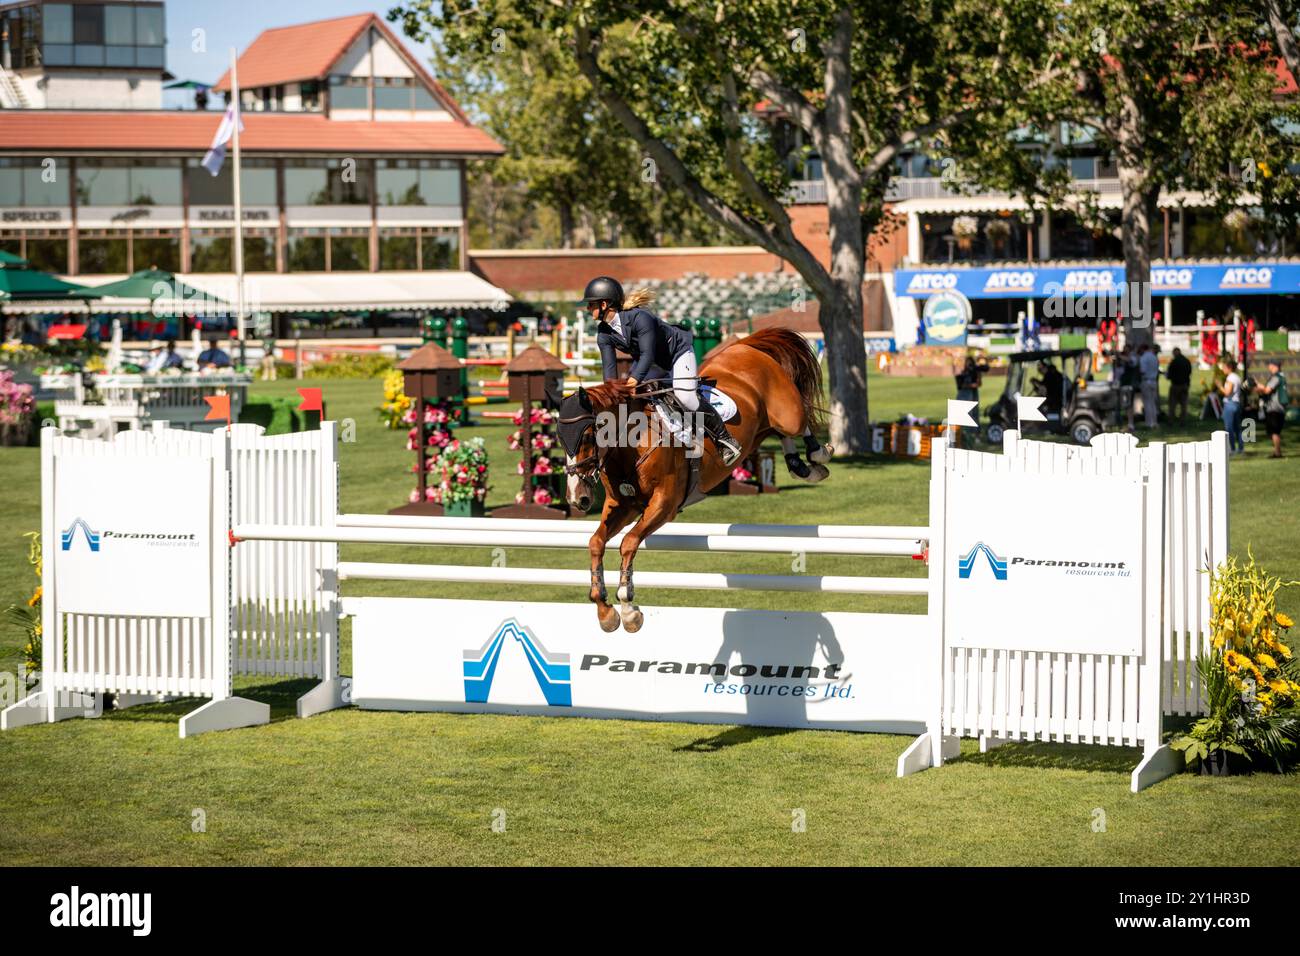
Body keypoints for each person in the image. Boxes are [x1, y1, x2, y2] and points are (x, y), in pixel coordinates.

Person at [584, 275, 742, 465]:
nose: (587, 309)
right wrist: (610, 396)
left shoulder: (640, 318)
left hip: (677, 353)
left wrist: (633, 382)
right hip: (653, 364)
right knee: (642, 397)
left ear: (604, 304)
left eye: (591, 304)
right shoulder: (604, 333)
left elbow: (647, 355)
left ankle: (725, 440)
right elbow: (609, 371)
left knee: (685, 397)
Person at [1255, 357, 1288, 459]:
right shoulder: (1282, 376)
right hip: (1280, 408)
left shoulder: (1276, 377)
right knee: (1275, 431)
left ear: (1274, 366)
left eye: (1270, 364)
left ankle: (1277, 453)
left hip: (1274, 407)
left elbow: (1267, 390)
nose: (1268, 366)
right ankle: (1277, 451)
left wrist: (1256, 384)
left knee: (1274, 431)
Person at [1219, 356, 1245, 455]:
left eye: (1224, 367)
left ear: (1229, 367)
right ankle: (1241, 448)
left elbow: (1227, 392)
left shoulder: (1230, 378)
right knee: (1237, 428)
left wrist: (1219, 386)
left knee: (1229, 427)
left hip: (1229, 404)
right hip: (1237, 404)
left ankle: (1232, 448)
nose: (1223, 369)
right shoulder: (1237, 377)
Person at [1165, 347, 1192, 426]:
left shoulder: (1174, 362)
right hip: (1185, 385)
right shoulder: (1187, 361)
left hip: (1175, 385)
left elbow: (1169, 375)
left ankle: (1171, 421)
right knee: (1183, 405)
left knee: (1172, 404)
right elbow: (1189, 372)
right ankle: (1182, 421)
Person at [1137, 342, 1160, 428]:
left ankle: (1149, 422)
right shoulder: (1154, 357)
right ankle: (1155, 421)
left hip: (1146, 380)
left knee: (1147, 403)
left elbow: (1142, 371)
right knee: (1153, 403)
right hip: (1154, 381)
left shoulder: (1143, 358)